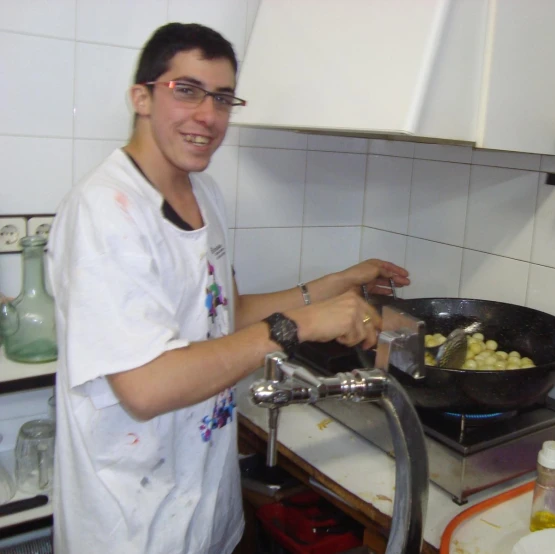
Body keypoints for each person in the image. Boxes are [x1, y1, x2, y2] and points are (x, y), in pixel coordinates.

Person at [46, 23, 409, 554]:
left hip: (202, 503)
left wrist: (333, 286)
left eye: (221, 98)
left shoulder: (204, 192)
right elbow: (145, 388)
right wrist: (300, 325)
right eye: (186, 91)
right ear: (141, 97)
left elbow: (221, 313)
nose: (208, 117)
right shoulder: (105, 213)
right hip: (130, 521)